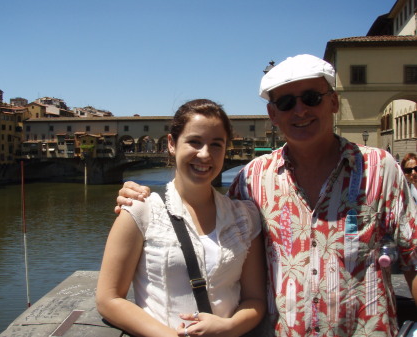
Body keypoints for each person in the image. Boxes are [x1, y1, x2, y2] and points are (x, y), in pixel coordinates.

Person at [115, 54, 417, 336]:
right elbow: (204, 213)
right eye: (285, 103)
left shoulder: (380, 168)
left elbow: (413, 259)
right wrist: (140, 200)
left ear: (334, 102)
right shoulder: (252, 178)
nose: (300, 110)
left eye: (311, 98)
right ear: (272, 114)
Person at [97, 99, 266, 337]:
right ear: (172, 144)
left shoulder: (245, 217)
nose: (205, 154)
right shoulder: (140, 211)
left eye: (216, 145)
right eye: (194, 142)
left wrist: (228, 327)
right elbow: (108, 299)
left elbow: (255, 299)